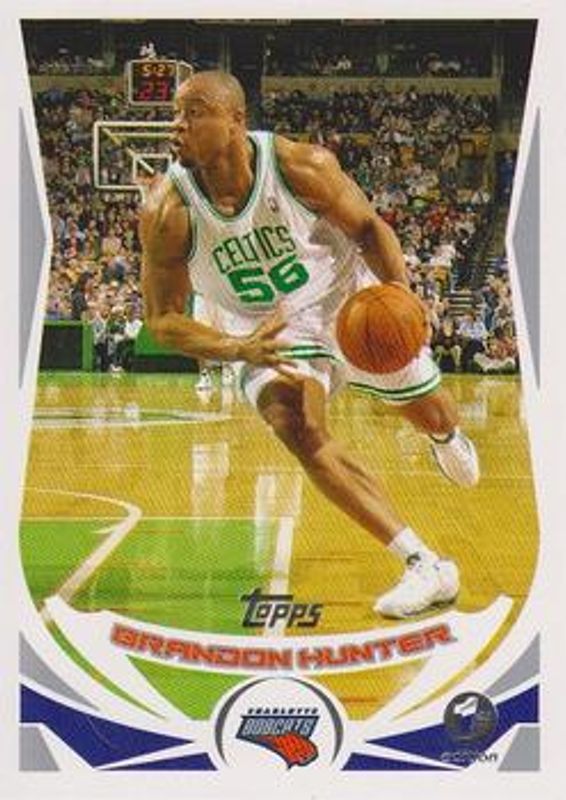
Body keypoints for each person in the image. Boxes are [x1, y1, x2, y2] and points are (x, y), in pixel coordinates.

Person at [140, 70, 480, 618]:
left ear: (235, 121)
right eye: (175, 115)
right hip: (266, 330)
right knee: (294, 423)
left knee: (432, 412)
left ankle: (445, 435)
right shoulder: (166, 211)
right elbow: (162, 320)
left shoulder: (301, 166)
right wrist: (237, 348)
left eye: (193, 112)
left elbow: (368, 229)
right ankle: (423, 564)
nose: (177, 125)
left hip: (348, 305)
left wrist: (401, 293)